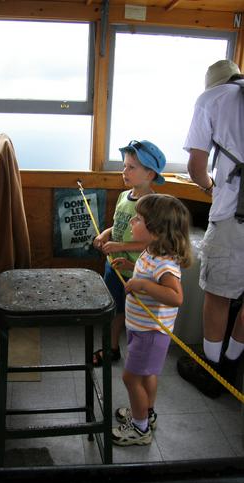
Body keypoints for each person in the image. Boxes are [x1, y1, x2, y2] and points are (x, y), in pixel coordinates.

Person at [177, 59, 244, 398]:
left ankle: (212, 370)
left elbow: (196, 165)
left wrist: (209, 187)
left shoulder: (212, 99)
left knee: (217, 296)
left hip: (235, 216)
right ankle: (233, 363)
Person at [111, 194, 192, 446]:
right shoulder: (149, 251)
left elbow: (175, 296)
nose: (133, 221)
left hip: (151, 332)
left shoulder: (165, 264)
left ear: (155, 231)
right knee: (147, 375)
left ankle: (139, 428)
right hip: (141, 327)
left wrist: (143, 284)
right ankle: (147, 412)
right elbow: (146, 276)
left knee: (130, 378)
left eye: (139, 219)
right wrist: (128, 264)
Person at [92, 140, 166, 367]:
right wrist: (106, 234)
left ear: (150, 174)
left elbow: (151, 242)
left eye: (131, 167)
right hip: (113, 264)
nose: (124, 171)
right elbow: (119, 227)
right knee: (113, 309)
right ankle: (112, 348)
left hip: (136, 269)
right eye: (125, 166)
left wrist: (119, 247)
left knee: (134, 314)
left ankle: (138, 357)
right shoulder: (125, 197)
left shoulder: (152, 205)